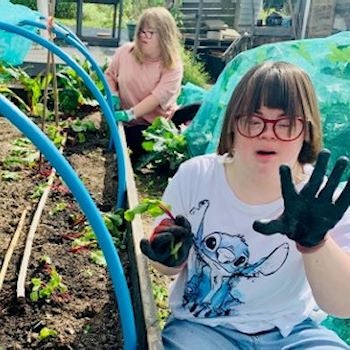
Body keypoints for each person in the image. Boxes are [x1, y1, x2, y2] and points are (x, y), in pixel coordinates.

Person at [140, 61, 350, 349]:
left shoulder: (322, 200)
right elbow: (162, 263)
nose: (267, 133)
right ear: (232, 127)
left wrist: (316, 243)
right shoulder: (196, 177)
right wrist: (168, 257)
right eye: (253, 120)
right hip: (203, 327)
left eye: (286, 124)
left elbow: (343, 305)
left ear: (306, 132)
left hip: (292, 332)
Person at [105, 6, 183, 161]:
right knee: (127, 136)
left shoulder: (172, 65)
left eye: (151, 33)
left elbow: (156, 98)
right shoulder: (125, 53)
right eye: (142, 31)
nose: (144, 36)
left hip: (153, 126)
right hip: (126, 122)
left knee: (139, 139)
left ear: (164, 36)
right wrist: (113, 94)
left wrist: (131, 113)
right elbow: (109, 76)